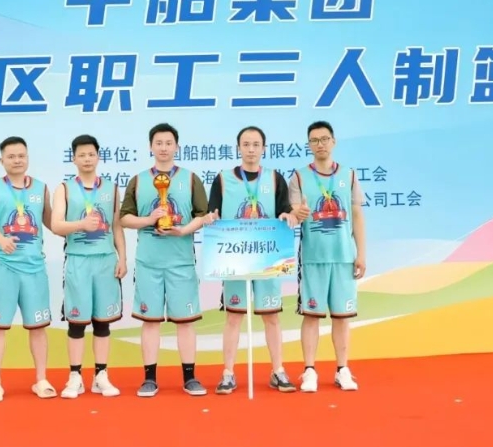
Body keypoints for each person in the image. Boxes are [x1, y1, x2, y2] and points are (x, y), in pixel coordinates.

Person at [119, 122, 215, 397]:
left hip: (181, 262)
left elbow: (203, 215)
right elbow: (124, 218)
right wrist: (149, 219)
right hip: (148, 263)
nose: (163, 148)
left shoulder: (190, 179)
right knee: (150, 321)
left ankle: (190, 377)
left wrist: (182, 230)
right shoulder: (138, 181)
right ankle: (149, 379)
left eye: (168, 143)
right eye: (158, 143)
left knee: (185, 321)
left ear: (177, 147)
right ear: (150, 147)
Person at [210, 126, 298, 395]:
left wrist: (289, 217)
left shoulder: (275, 179)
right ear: (238, 148)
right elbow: (213, 213)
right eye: (246, 144)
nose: (250, 149)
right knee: (234, 316)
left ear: (263, 148)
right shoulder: (223, 179)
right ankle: (227, 373)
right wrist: (210, 218)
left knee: (271, 316)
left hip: (268, 256)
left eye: (256, 144)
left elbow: (286, 212)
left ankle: (278, 370)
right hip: (235, 257)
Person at [289, 121, 367, 393]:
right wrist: (298, 213)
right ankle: (309, 370)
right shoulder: (299, 177)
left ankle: (342, 369)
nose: (320, 144)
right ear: (308, 145)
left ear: (333, 141)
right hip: (313, 258)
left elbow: (357, 215)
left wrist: (361, 254)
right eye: (314, 140)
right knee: (311, 315)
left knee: (342, 316)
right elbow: (294, 213)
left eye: (324, 139)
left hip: (344, 257)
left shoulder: (349, 175)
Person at [51, 134, 127, 399]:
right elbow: (56, 225)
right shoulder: (64, 189)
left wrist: (123, 258)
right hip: (78, 260)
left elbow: (116, 225)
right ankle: (75, 377)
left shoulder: (111, 189)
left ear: (98, 157)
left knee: (102, 322)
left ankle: (101, 376)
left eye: (91, 154)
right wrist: (81, 225)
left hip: (106, 260)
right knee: (77, 321)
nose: (87, 159)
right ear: (73, 158)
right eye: (81, 155)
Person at [0, 136, 54, 402]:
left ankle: (41, 379)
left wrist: (80, 224)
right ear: (2, 160)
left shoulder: (41, 188)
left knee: (38, 327)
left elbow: (53, 223)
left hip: (34, 269)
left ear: (28, 158)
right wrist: (1, 240)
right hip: (4, 267)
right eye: (11, 157)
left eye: (21, 155)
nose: (17, 160)